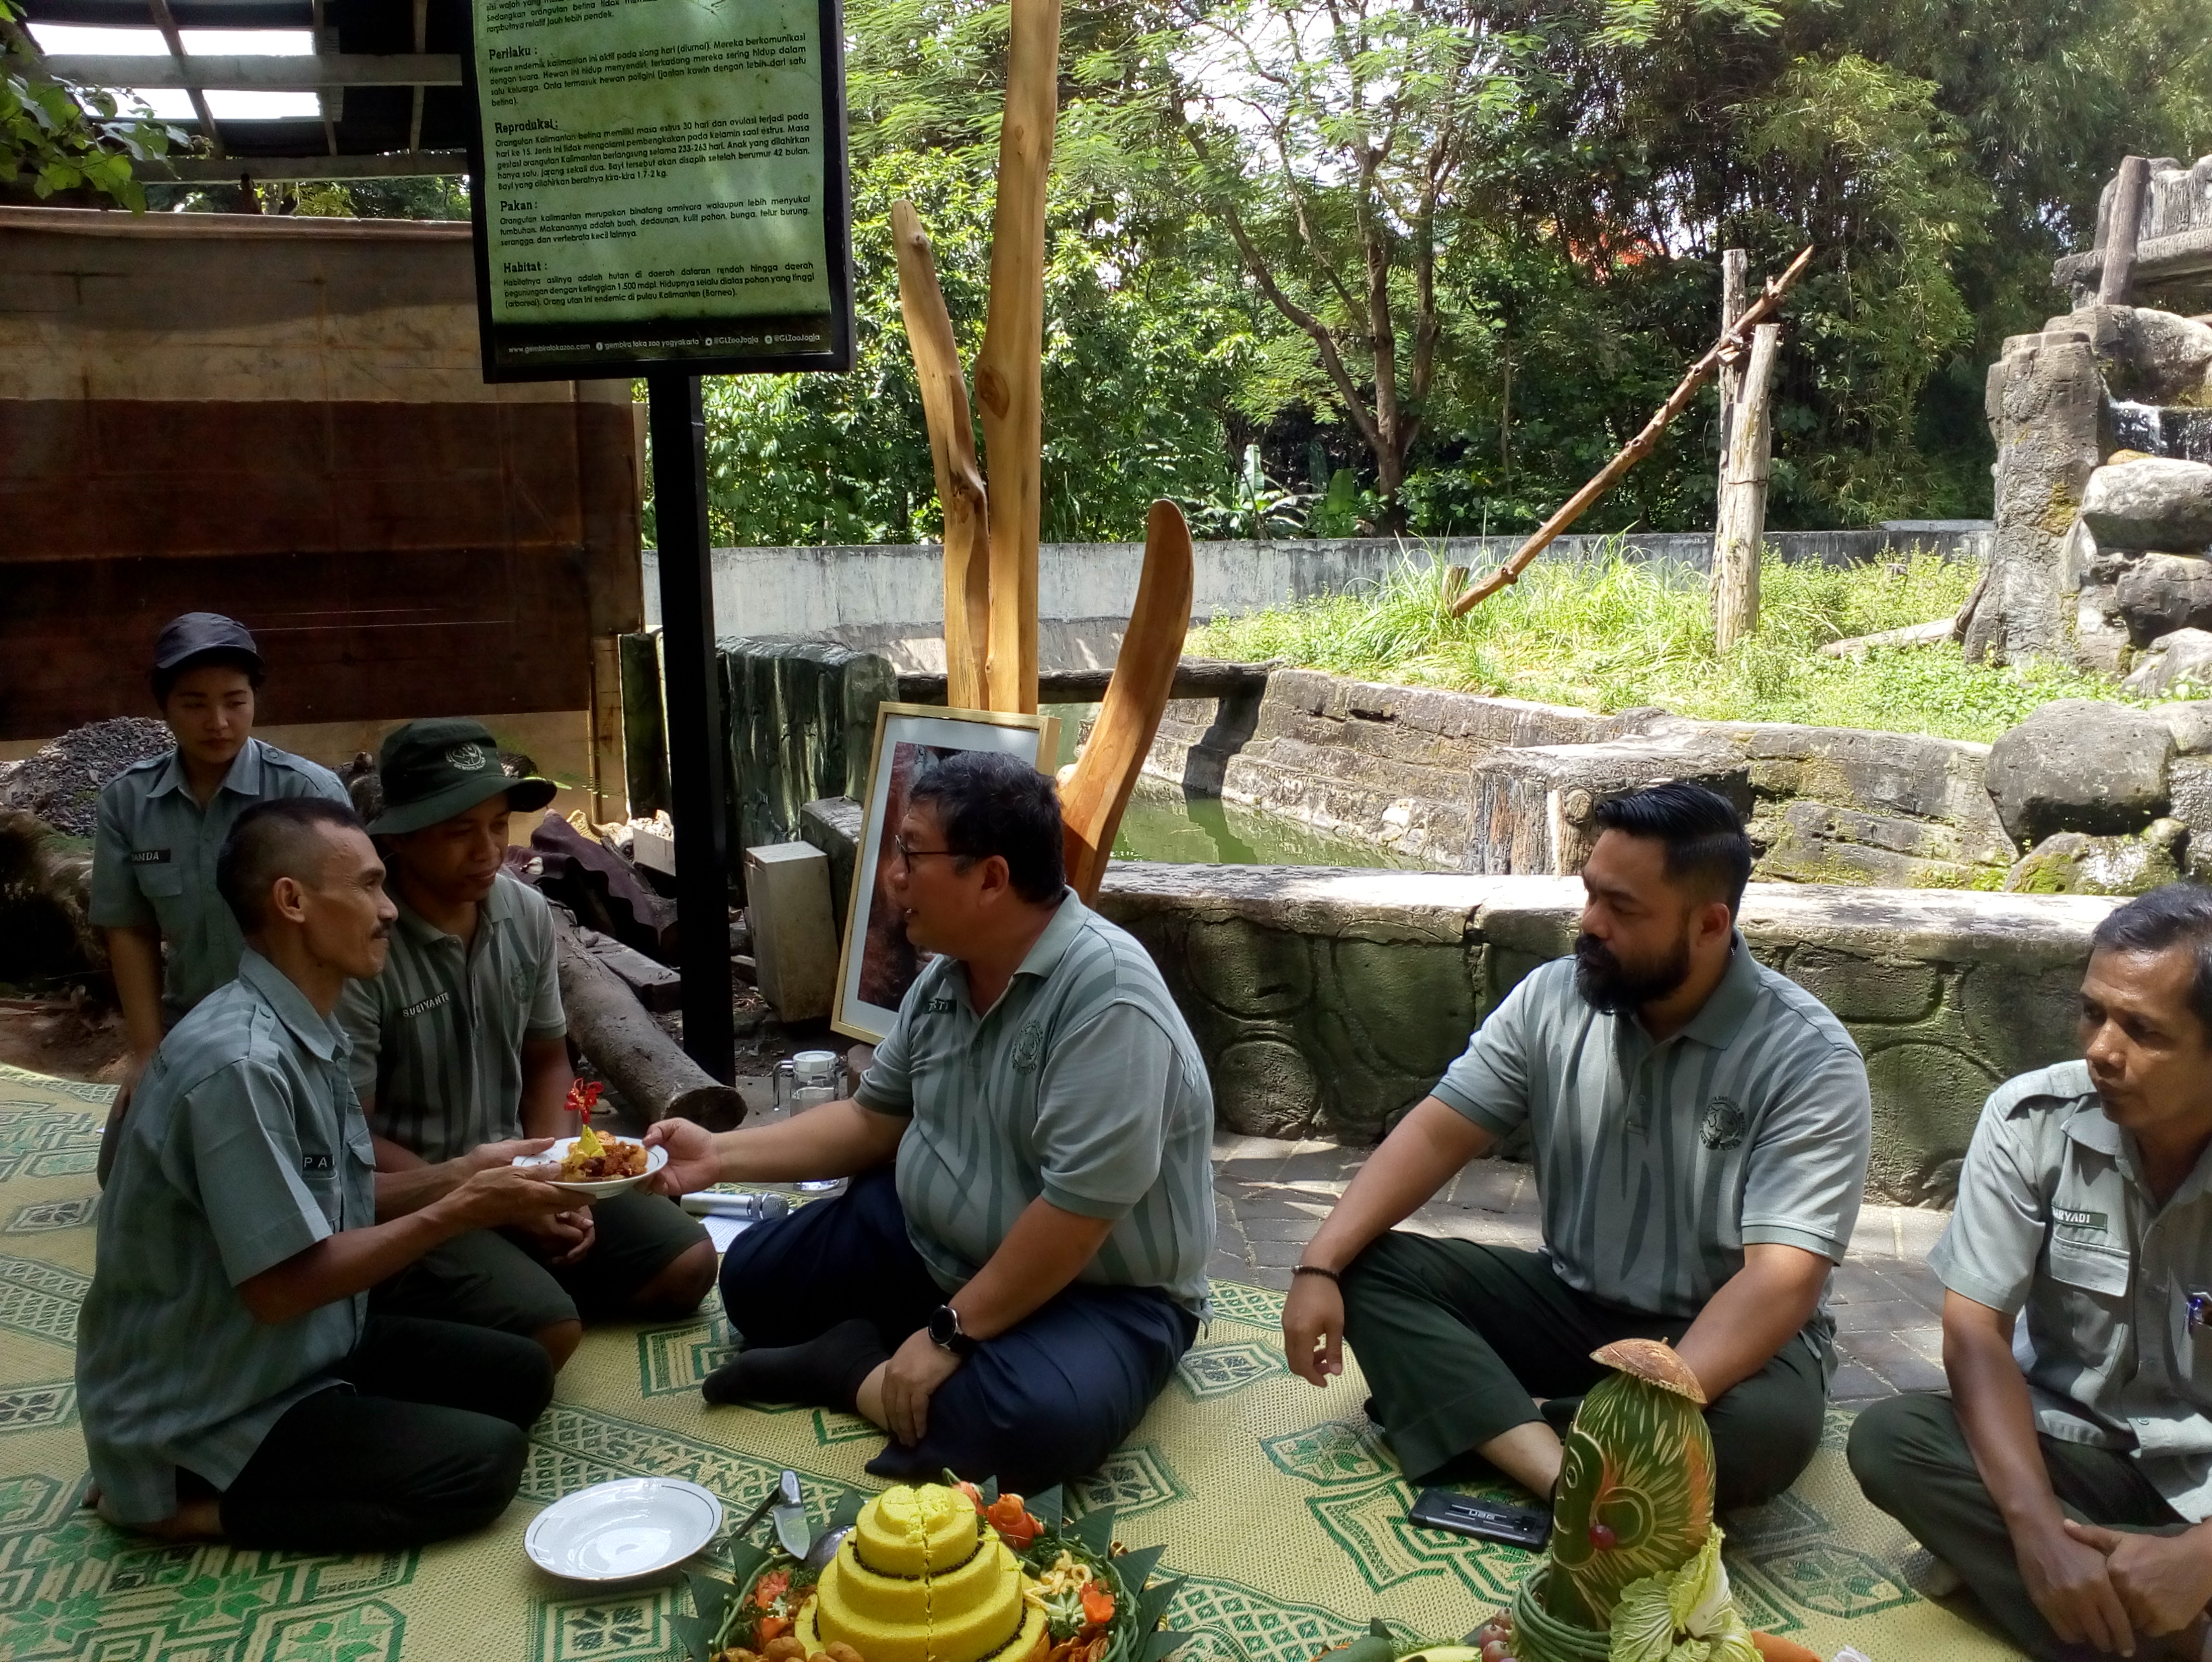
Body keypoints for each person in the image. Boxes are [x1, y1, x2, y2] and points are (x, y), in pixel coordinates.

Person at [1283, 781, 1873, 1512]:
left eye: (1622, 909)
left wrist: (1656, 1405)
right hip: (1572, 1304)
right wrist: (1320, 1261)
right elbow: (1438, 1130)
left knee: (1760, 1436)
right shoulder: (1551, 997)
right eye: (1590, 893)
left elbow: (1780, 1282)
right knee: (1366, 1266)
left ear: (1709, 925)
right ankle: (1566, 1476)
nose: (1589, 924)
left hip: (1729, 1335)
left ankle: (1488, 1416)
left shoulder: (1809, 1061)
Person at [645, 750, 1213, 1493]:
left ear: (992, 877)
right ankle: (898, 1355)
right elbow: (872, 1121)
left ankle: (849, 1369)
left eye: (912, 854)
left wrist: (949, 1332)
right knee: (751, 1282)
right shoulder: (947, 975)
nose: (893, 876)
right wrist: (717, 1156)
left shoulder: (1107, 997)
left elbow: (1075, 1220)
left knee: (1027, 1429)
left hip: (1100, 1291)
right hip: (933, 1245)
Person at [78, 797, 575, 1550]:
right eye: (370, 888)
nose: (389, 911)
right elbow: (283, 1287)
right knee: (481, 1467)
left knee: (516, 1374)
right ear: (292, 902)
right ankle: (170, 1502)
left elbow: (326, 1200)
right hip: (218, 1394)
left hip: (304, 1349)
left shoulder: (297, 1026)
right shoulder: (239, 1063)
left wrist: (462, 1173)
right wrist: (462, 1209)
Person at [1851, 883, 2212, 1662]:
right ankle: (2141, 1615)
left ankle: (2115, 1600)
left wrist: (2199, 1558)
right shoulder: (2029, 1121)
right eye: (2093, 1011)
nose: (2100, 1049)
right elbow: (1975, 1332)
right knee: (1893, 1440)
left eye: (2142, 1030)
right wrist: (2039, 1535)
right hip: (2072, 1455)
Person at [339, 719, 714, 1369]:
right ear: (397, 840)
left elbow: (548, 1061)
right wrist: (498, 1200)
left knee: (689, 1263)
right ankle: (434, 1292)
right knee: (545, 1336)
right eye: (458, 832)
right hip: (421, 1189)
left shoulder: (525, 913)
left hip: (517, 1165)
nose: (486, 850)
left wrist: (556, 1179)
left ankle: (521, 1272)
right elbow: (352, 1134)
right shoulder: (367, 944)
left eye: (495, 825)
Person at [90, 612, 351, 1180]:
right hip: (188, 1024)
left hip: (294, 1029)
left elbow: (348, 926)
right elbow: (127, 926)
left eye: (235, 701)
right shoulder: (128, 801)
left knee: (286, 1180)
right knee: (125, 1179)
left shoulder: (305, 792)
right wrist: (145, 1052)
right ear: (163, 707)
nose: (218, 722)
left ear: (255, 699)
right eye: (194, 703)